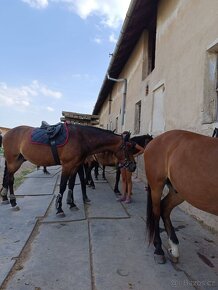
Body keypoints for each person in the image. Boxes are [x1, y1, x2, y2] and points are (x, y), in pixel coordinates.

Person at [118, 131, 144, 204]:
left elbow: (142, 149)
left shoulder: (132, 143)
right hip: (122, 162)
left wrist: (135, 155)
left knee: (128, 180)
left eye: (124, 135)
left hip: (129, 163)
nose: (123, 137)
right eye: (122, 135)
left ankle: (129, 196)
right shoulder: (121, 144)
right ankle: (123, 195)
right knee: (123, 179)